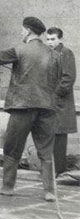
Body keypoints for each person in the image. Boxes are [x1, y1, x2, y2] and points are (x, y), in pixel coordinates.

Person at [0, 16, 60, 201]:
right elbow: (57, 80)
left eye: (22, 30)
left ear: (28, 31)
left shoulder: (20, 50)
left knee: (12, 148)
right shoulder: (54, 54)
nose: (20, 32)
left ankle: (7, 187)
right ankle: (50, 191)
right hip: (46, 107)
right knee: (45, 150)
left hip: (22, 107)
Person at [46, 27, 76, 175]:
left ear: (60, 39)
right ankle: (50, 171)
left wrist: (54, 95)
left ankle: (57, 171)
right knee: (49, 136)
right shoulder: (48, 54)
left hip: (60, 104)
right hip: (49, 103)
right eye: (48, 39)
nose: (50, 42)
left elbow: (68, 79)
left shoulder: (66, 53)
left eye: (53, 39)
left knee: (59, 138)